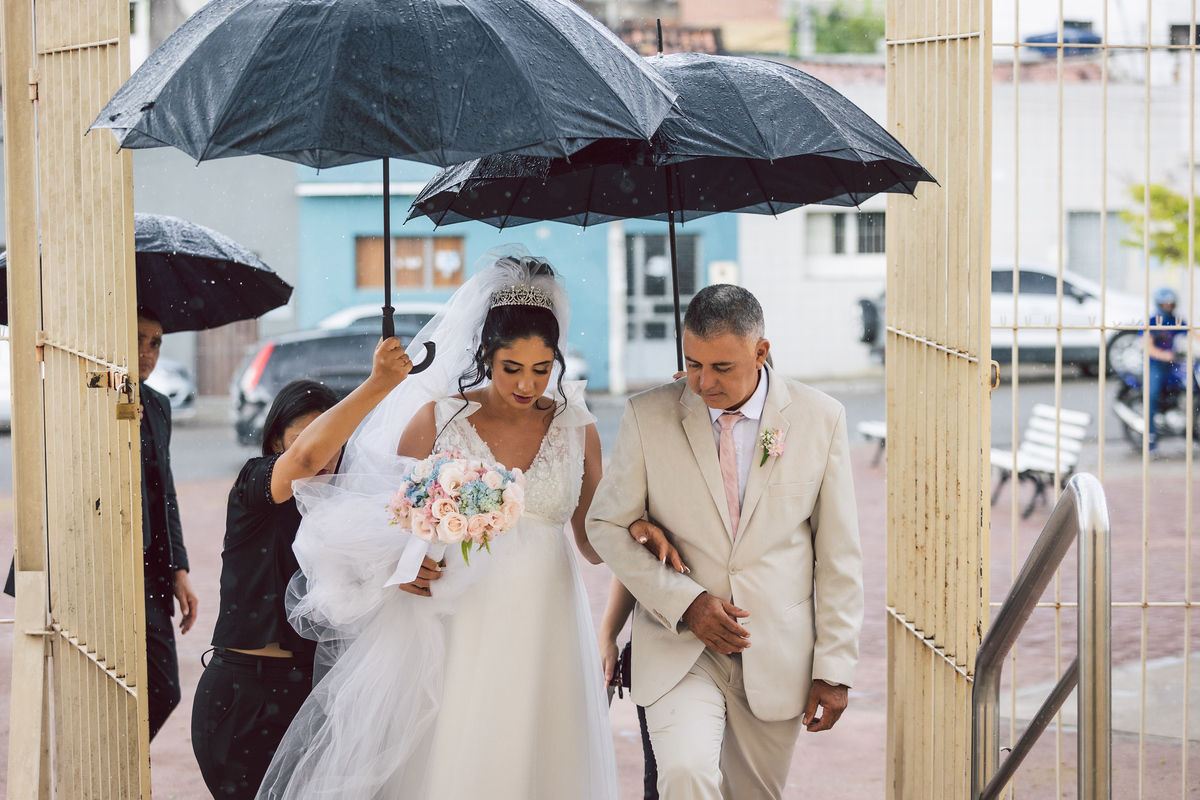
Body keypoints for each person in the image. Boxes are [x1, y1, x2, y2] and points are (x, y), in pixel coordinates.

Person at [255, 247, 619, 800]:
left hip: (547, 617)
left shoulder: (577, 425)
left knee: (544, 757)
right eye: (511, 369)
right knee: (462, 756)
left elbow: (594, 544)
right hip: (461, 619)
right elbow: (382, 519)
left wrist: (647, 519)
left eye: (542, 370)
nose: (527, 385)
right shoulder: (440, 419)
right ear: (485, 356)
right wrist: (402, 565)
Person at [587, 284, 865, 800]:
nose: (703, 382)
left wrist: (834, 668)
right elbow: (603, 524)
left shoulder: (820, 418)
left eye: (721, 367)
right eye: (693, 364)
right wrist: (685, 602)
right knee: (685, 775)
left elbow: (839, 556)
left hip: (777, 652)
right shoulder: (648, 415)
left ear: (760, 352)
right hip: (679, 648)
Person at [191, 338, 412, 800]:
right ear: (277, 443)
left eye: (337, 445)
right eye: (309, 439)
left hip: (316, 700)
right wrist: (378, 384)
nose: (326, 458)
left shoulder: (354, 509)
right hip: (242, 697)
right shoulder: (256, 483)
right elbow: (306, 461)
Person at [136, 307, 199, 741]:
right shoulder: (81, 395)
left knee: (163, 688)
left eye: (155, 342)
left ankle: (123, 764)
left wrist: (179, 569)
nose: (146, 352)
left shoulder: (157, 405)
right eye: (138, 338)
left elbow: (165, 492)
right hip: (92, 561)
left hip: (148, 567)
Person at [1145, 287, 1185, 451]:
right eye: (1165, 302)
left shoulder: (1176, 320)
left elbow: (1192, 334)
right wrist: (1162, 354)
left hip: (1173, 363)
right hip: (1155, 364)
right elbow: (1147, 346)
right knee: (1152, 396)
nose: (1168, 305)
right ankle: (1151, 437)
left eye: (1170, 302)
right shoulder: (1153, 320)